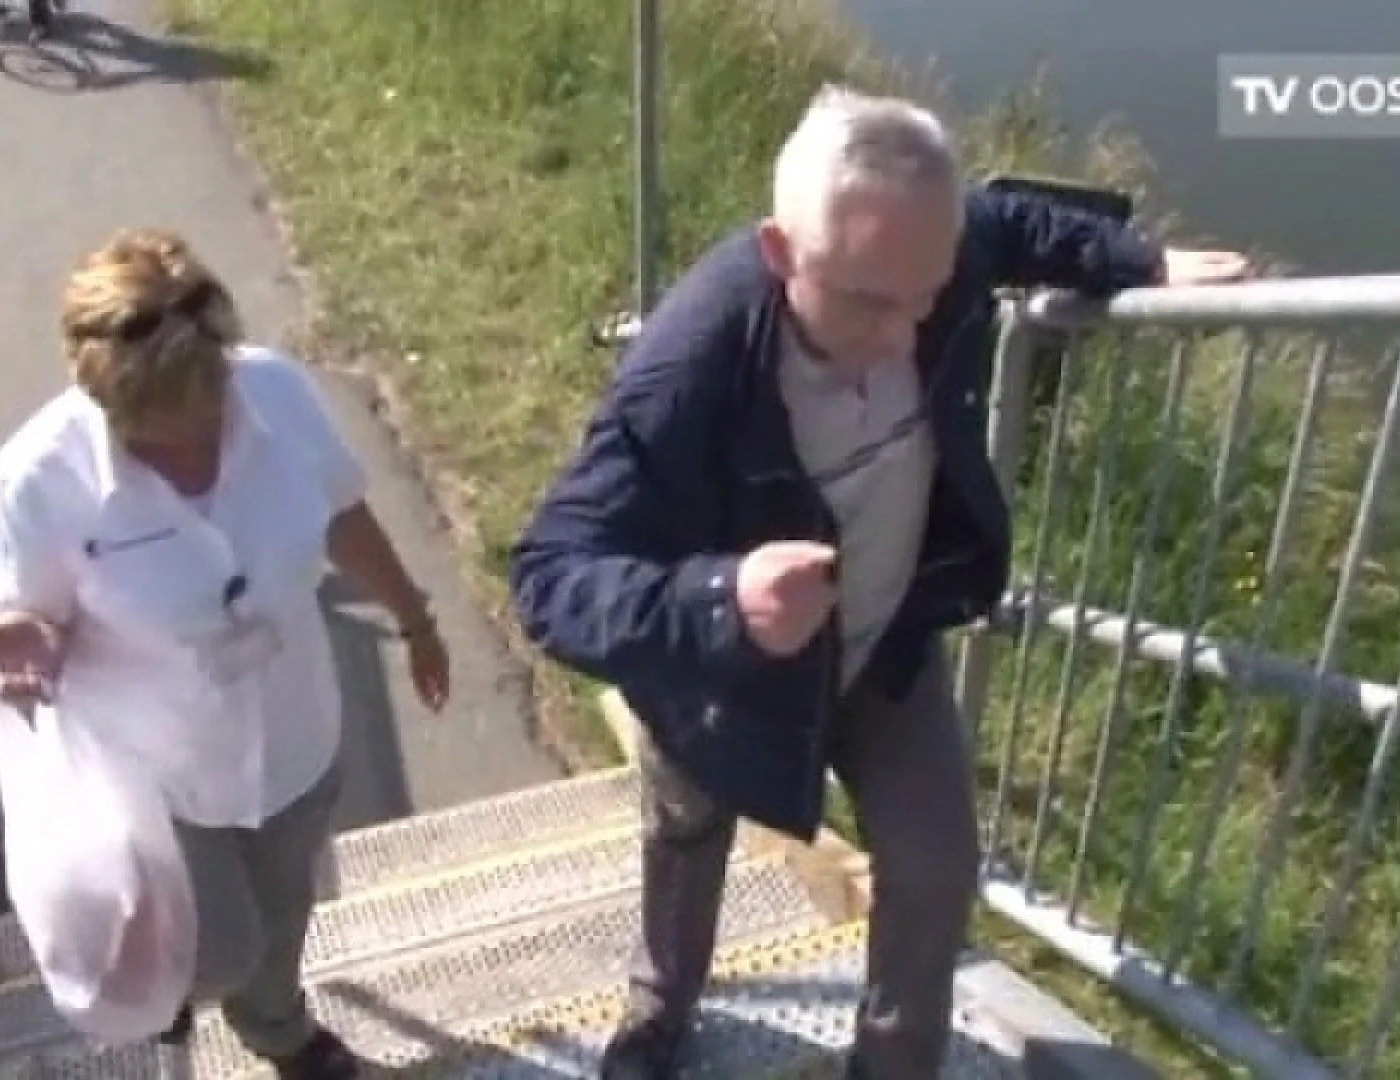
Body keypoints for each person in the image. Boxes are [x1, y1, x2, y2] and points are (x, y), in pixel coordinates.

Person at [508, 85, 1250, 1080]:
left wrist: (1140, 261)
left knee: (936, 870)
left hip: (885, 647)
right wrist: (721, 601)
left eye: (930, 294)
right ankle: (658, 1010)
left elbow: (1010, 218)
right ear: (780, 256)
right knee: (687, 833)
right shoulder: (687, 367)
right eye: (866, 301)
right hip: (725, 678)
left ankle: (893, 1067)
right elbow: (550, 574)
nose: (907, 335)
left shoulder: (921, 251)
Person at [0, 227, 450, 1080]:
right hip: (161, 771)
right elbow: (32, 619)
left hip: (293, 734)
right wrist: (30, 646)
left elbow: (341, 514)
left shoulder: (273, 391)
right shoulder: (37, 478)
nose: (193, 444)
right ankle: (168, 1017)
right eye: (158, 433)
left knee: (284, 914)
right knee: (220, 946)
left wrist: (415, 619)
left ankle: (282, 1033)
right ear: (102, 395)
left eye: (206, 409)